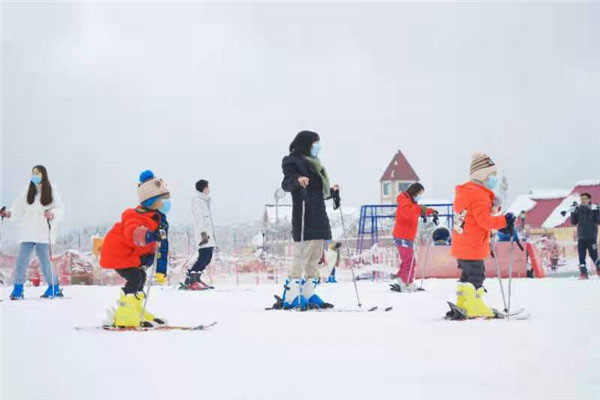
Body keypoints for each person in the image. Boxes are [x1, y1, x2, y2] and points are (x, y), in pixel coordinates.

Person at [277, 130, 339, 309]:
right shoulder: (292, 161)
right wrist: (298, 179)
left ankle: (308, 292)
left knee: (316, 256)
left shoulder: (316, 164)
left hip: (318, 214)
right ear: (305, 143)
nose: (317, 146)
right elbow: (286, 183)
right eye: (314, 143)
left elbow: (319, 192)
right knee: (301, 254)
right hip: (303, 214)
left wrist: (331, 191)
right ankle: (291, 294)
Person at [99, 170, 170, 327]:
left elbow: (159, 244)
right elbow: (134, 233)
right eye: (162, 200)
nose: (165, 203)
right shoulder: (135, 216)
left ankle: (137, 310)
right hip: (117, 254)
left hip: (129, 255)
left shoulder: (155, 217)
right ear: (151, 201)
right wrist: (149, 236)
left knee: (140, 277)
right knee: (135, 278)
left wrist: (151, 256)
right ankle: (125, 314)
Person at [449, 152, 515, 319]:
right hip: (473, 244)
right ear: (482, 174)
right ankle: (474, 305)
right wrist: (504, 221)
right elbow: (484, 221)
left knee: (467, 275)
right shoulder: (478, 194)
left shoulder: (466, 192)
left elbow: (473, 215)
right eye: (492, 174)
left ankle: (463, 303)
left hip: (462, 243)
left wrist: (494, 208)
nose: (494, 178)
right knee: (477, 275)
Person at [0, 165, 65, 300]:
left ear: (43, 175)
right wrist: (8, 213)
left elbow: (59, 208)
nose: (35, 176)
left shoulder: (51, 191)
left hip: (43, 232)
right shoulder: (28, 191)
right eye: (33, 173)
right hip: (28, 232)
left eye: (38, 173)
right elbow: (17, 208)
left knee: (45, 261)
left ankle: (54, 288)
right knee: (21, 260)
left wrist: (52, 213)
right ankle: (18, 289)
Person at [391, 183, 438, 292]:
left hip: (405, 236)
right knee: (410, 261)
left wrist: (430, 211)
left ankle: (402, 280)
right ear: (414, 192)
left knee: (407, 260)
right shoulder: (404, 202)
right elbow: (410, 212)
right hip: (403, 236)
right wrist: (421, 211)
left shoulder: (409, 202)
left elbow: (416, 209)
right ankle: (406, 282)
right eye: (419, 194)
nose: (419, 196)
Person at [183, 179, 217, 290]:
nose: (209, 189)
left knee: (208, 257)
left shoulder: (205, 201)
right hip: (204, 235)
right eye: (208, 187)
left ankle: (197, 278)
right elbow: (199, 220)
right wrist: (203, 235)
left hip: (209, 235)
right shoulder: (197, 201)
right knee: (203, 257)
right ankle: (190, 280)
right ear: (204, 188)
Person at [570, 193, 600, 279]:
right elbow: (573, 222)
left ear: (589, 200)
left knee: (594, 255)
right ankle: (583, 273)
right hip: (581, 237)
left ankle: (599, 269)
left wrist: (596, 211)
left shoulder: (594, 209)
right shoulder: (578, 209)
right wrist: (573, 211)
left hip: (591, 237)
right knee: (581, 255)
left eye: (585, 199)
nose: (583, 200)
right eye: (582, 199)